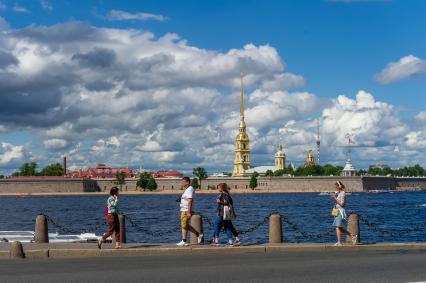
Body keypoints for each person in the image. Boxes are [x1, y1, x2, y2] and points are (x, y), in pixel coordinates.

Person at [176, 176, 203, 246]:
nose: (182, 183)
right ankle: (196, 235)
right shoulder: (187, 189)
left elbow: (190, 201)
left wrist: (188, 212)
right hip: (183, 209)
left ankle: (185, 240)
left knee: (184, 225)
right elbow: (187, 199)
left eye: (183, 182)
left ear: (187, 182)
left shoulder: (189, 189)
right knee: (184, 225)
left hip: (186, 210)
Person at [331, 181, 357, 246]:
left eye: (336, 186)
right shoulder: (338, 193)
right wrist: (335, 197)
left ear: (339, 186)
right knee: (339, 227)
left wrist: (335, 199)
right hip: (337, 211)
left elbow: (342, 204)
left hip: (340, 211)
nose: (335, 188)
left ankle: (339, 242)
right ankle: (352, 236)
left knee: (338, 227)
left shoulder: (342, 193)